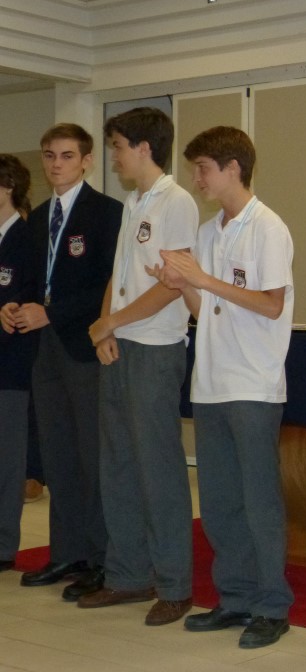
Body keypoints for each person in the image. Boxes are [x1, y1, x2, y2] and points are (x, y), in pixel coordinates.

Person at [148, 125, 294, 649]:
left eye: (204, 169)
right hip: (210, 381)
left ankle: (272, 606)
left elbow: (271, 304)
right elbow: (204, 308)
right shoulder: (209, 232)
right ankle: (234, 597)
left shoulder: (268, 227)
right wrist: (182, 284)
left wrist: (204, 280)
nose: (197, 179)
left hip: (252, 382)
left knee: (259, 501)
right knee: (218, 501)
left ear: (233, 168)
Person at [75, 108, 199, 625]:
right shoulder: (133, 202)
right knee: (119, 465)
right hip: (121, 346)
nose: (114, 156)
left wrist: (114, 322)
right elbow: (120, 274)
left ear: (145, 148)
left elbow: (172, 285)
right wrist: (106, 327)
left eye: (119, 146)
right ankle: (128, 574)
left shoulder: (177, 201)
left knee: (157, 468)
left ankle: (174, 584)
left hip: (154, 348)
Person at [2, 124, 121, 601]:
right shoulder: (37, 219)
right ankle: (67, 552)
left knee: (91, 453)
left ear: (87, 161)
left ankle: (102, 558)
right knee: (56, 453)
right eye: (49, 156)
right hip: (43, 347)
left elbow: (109, 285)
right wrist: (16, 305)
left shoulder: (106, 213)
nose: (56, 164)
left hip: (84, 344)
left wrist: (52, 312)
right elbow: (32, 281)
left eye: (67, 156)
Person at [0, 154, 35, 573]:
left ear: (7, 187)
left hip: (11, 364)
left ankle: (4, 544)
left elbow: (27, 297)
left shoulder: (27, 238)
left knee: (7, 459)